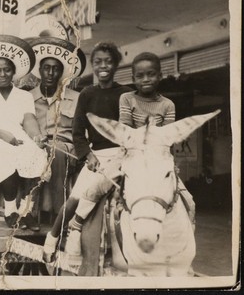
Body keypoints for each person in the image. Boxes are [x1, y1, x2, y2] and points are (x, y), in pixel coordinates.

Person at [43, 42, 133, 262]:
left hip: (123, 156)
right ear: (93, 65)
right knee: (75, 197)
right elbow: (77, 133)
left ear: (116, 65)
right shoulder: (87, 94)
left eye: (108, 61)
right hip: (97, 156)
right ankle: (53, 237)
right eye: (98, 62)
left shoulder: (126, 94)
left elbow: (131, 129)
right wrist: (88, 156)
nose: (103, 66)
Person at [0, 35, 50, 230]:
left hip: (16, 135)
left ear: (14, 72)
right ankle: (10, 210)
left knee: (37, 154)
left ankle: (26, 210)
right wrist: (2, 134)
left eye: (7, 70)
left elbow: (29, 120)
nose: (2, 74)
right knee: (5, 153)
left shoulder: (23, 95)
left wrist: (36, 137)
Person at [119, 51, 195, 226]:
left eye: (151, 74)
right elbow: (125, 132)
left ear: (160, 76)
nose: (145, 79)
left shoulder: (167, 105)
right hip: (131, 159)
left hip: (158, 161)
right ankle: (78, 229)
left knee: (189, 202)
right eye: (140, 76)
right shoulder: (127, 99)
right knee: (98, 193)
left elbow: (167, 138)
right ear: (133, 78)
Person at [29, 37, 85, 218]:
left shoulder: (76, 98)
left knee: (57, 152)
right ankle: (29, 212)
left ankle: (59, 216)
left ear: (62, 72)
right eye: (47, 68)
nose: (51, 73)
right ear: (40, 70)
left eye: (56, 69)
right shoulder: (28, 98)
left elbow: (81, 131)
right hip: (36, 144)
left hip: (66, 148)